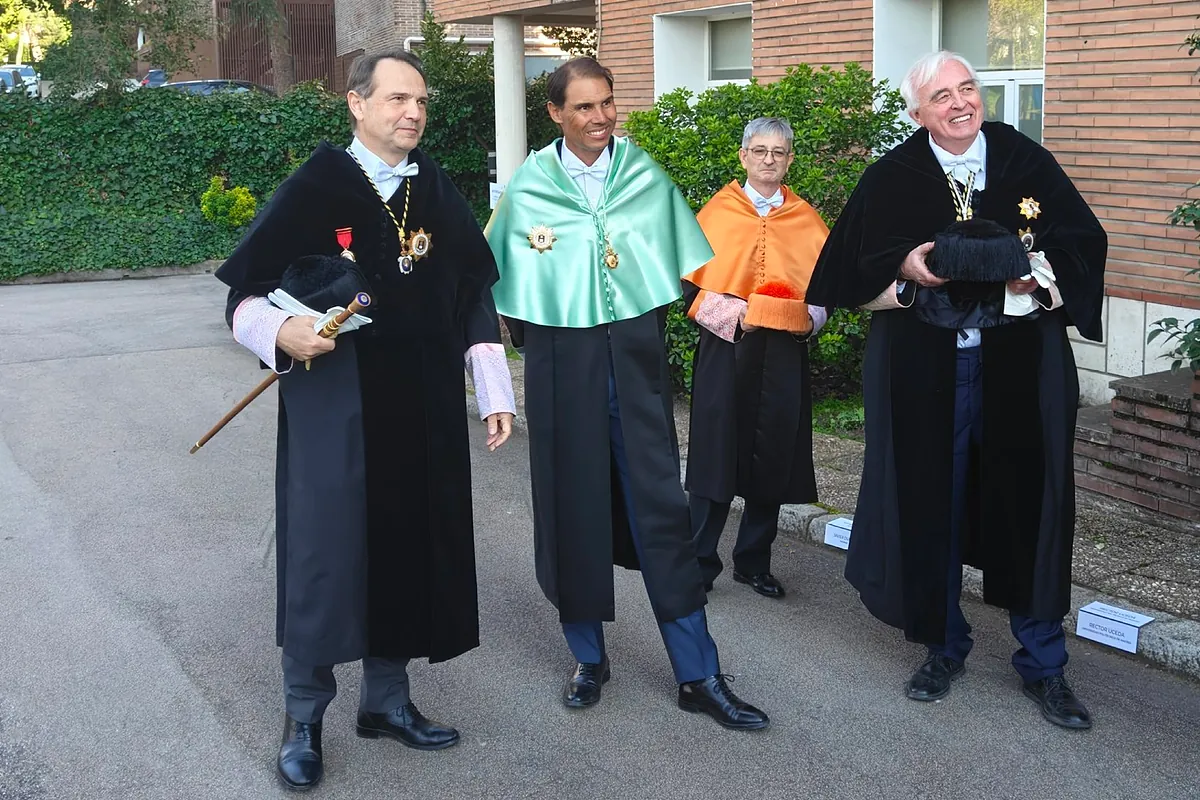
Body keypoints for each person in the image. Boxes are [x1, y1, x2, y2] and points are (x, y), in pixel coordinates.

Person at [214, 49, 516, 790]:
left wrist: (494, 390)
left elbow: (470, 293)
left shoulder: (433, 188)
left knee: (407, 545)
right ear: (356, 103)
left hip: (422, 408)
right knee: (325, 554)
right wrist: (282, 332)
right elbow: (244, 296)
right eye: (397, 99)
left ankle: (386, 702)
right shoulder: (316, 187)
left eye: (421, 101)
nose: (413, 112)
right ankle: (304, 717)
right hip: (336, 408)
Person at [805, 50, 1106, 730]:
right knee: (929, 501)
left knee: (1033, 503)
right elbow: (845, 269)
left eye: (967, 88)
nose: (960, 103)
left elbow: (1084, 241)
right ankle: (943, 645)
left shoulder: (1026, 161)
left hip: (1020, 364)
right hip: (928, 369)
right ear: (919, 113)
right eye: (942, 96)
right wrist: (904, 267)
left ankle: (1044, 663)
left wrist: (1039, 276)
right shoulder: (893, 176)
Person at [485, 57, 768, 730]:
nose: (600, 117)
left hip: (636, 374)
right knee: (571, 510)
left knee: (663, 514)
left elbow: (684, 267)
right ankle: (588, 658)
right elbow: (502, 284)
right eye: (584, 106)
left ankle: (699, 674)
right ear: (555, 113)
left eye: (607, 102)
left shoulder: (643, 176)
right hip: (563, 371)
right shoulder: (529, 188)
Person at [683, 117, 830, 599]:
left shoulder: (806, 219)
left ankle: (753, 562)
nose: (769, 159)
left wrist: (809, 319)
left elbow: (825, 290)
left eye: (779, 152)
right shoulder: (717, 212)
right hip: (727, 350)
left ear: (790, 160)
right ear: (743, 156)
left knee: (774, 455)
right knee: (715, 456)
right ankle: (699, 563)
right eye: (760, 151)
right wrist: (739, 317)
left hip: (784, 354)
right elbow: (689, 287)